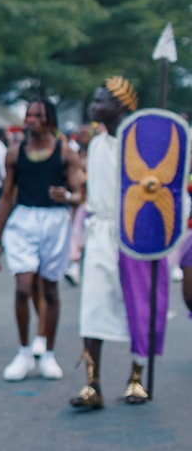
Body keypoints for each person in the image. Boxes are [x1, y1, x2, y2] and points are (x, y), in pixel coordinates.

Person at [71, 78, 176, 410]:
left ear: (119, 106)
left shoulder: (143, 144)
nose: (93, 105)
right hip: (101, 231)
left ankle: (136, 378)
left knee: (140, 307)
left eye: (100, 100)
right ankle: (93, 384)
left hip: (136, 234)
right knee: (92, 307)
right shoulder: (97, 143)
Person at [0, 98, 82, 382]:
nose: (30, 119)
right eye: (28, 114)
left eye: (37, 115)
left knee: (50, 288)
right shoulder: (14, 153)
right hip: (24, 219)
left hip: (55, 221)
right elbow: (6, 196)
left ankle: (48, 354)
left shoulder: (66, 153)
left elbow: (80, 195)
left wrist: (67, 197)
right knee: (23, 287)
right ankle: (23, 352)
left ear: (49, 120)